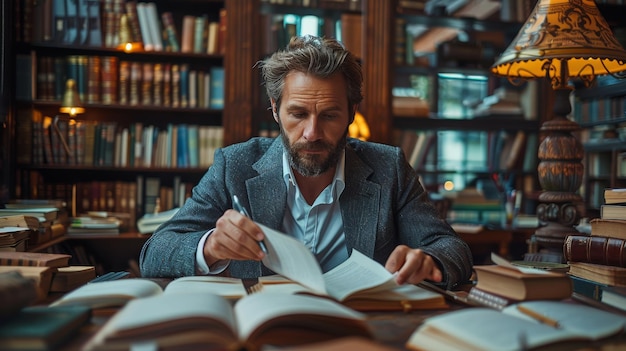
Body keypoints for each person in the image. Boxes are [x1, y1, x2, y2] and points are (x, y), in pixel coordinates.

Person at [139, 35, 473, 289]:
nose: (312, 133)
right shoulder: (235, 165)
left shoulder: (389, 167)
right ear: (275, 109)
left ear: (351, 113)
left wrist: (429, 261)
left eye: (329, 115)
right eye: (298, 114)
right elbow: (154, 253)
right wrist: (210, 246)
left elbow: (452, 248)